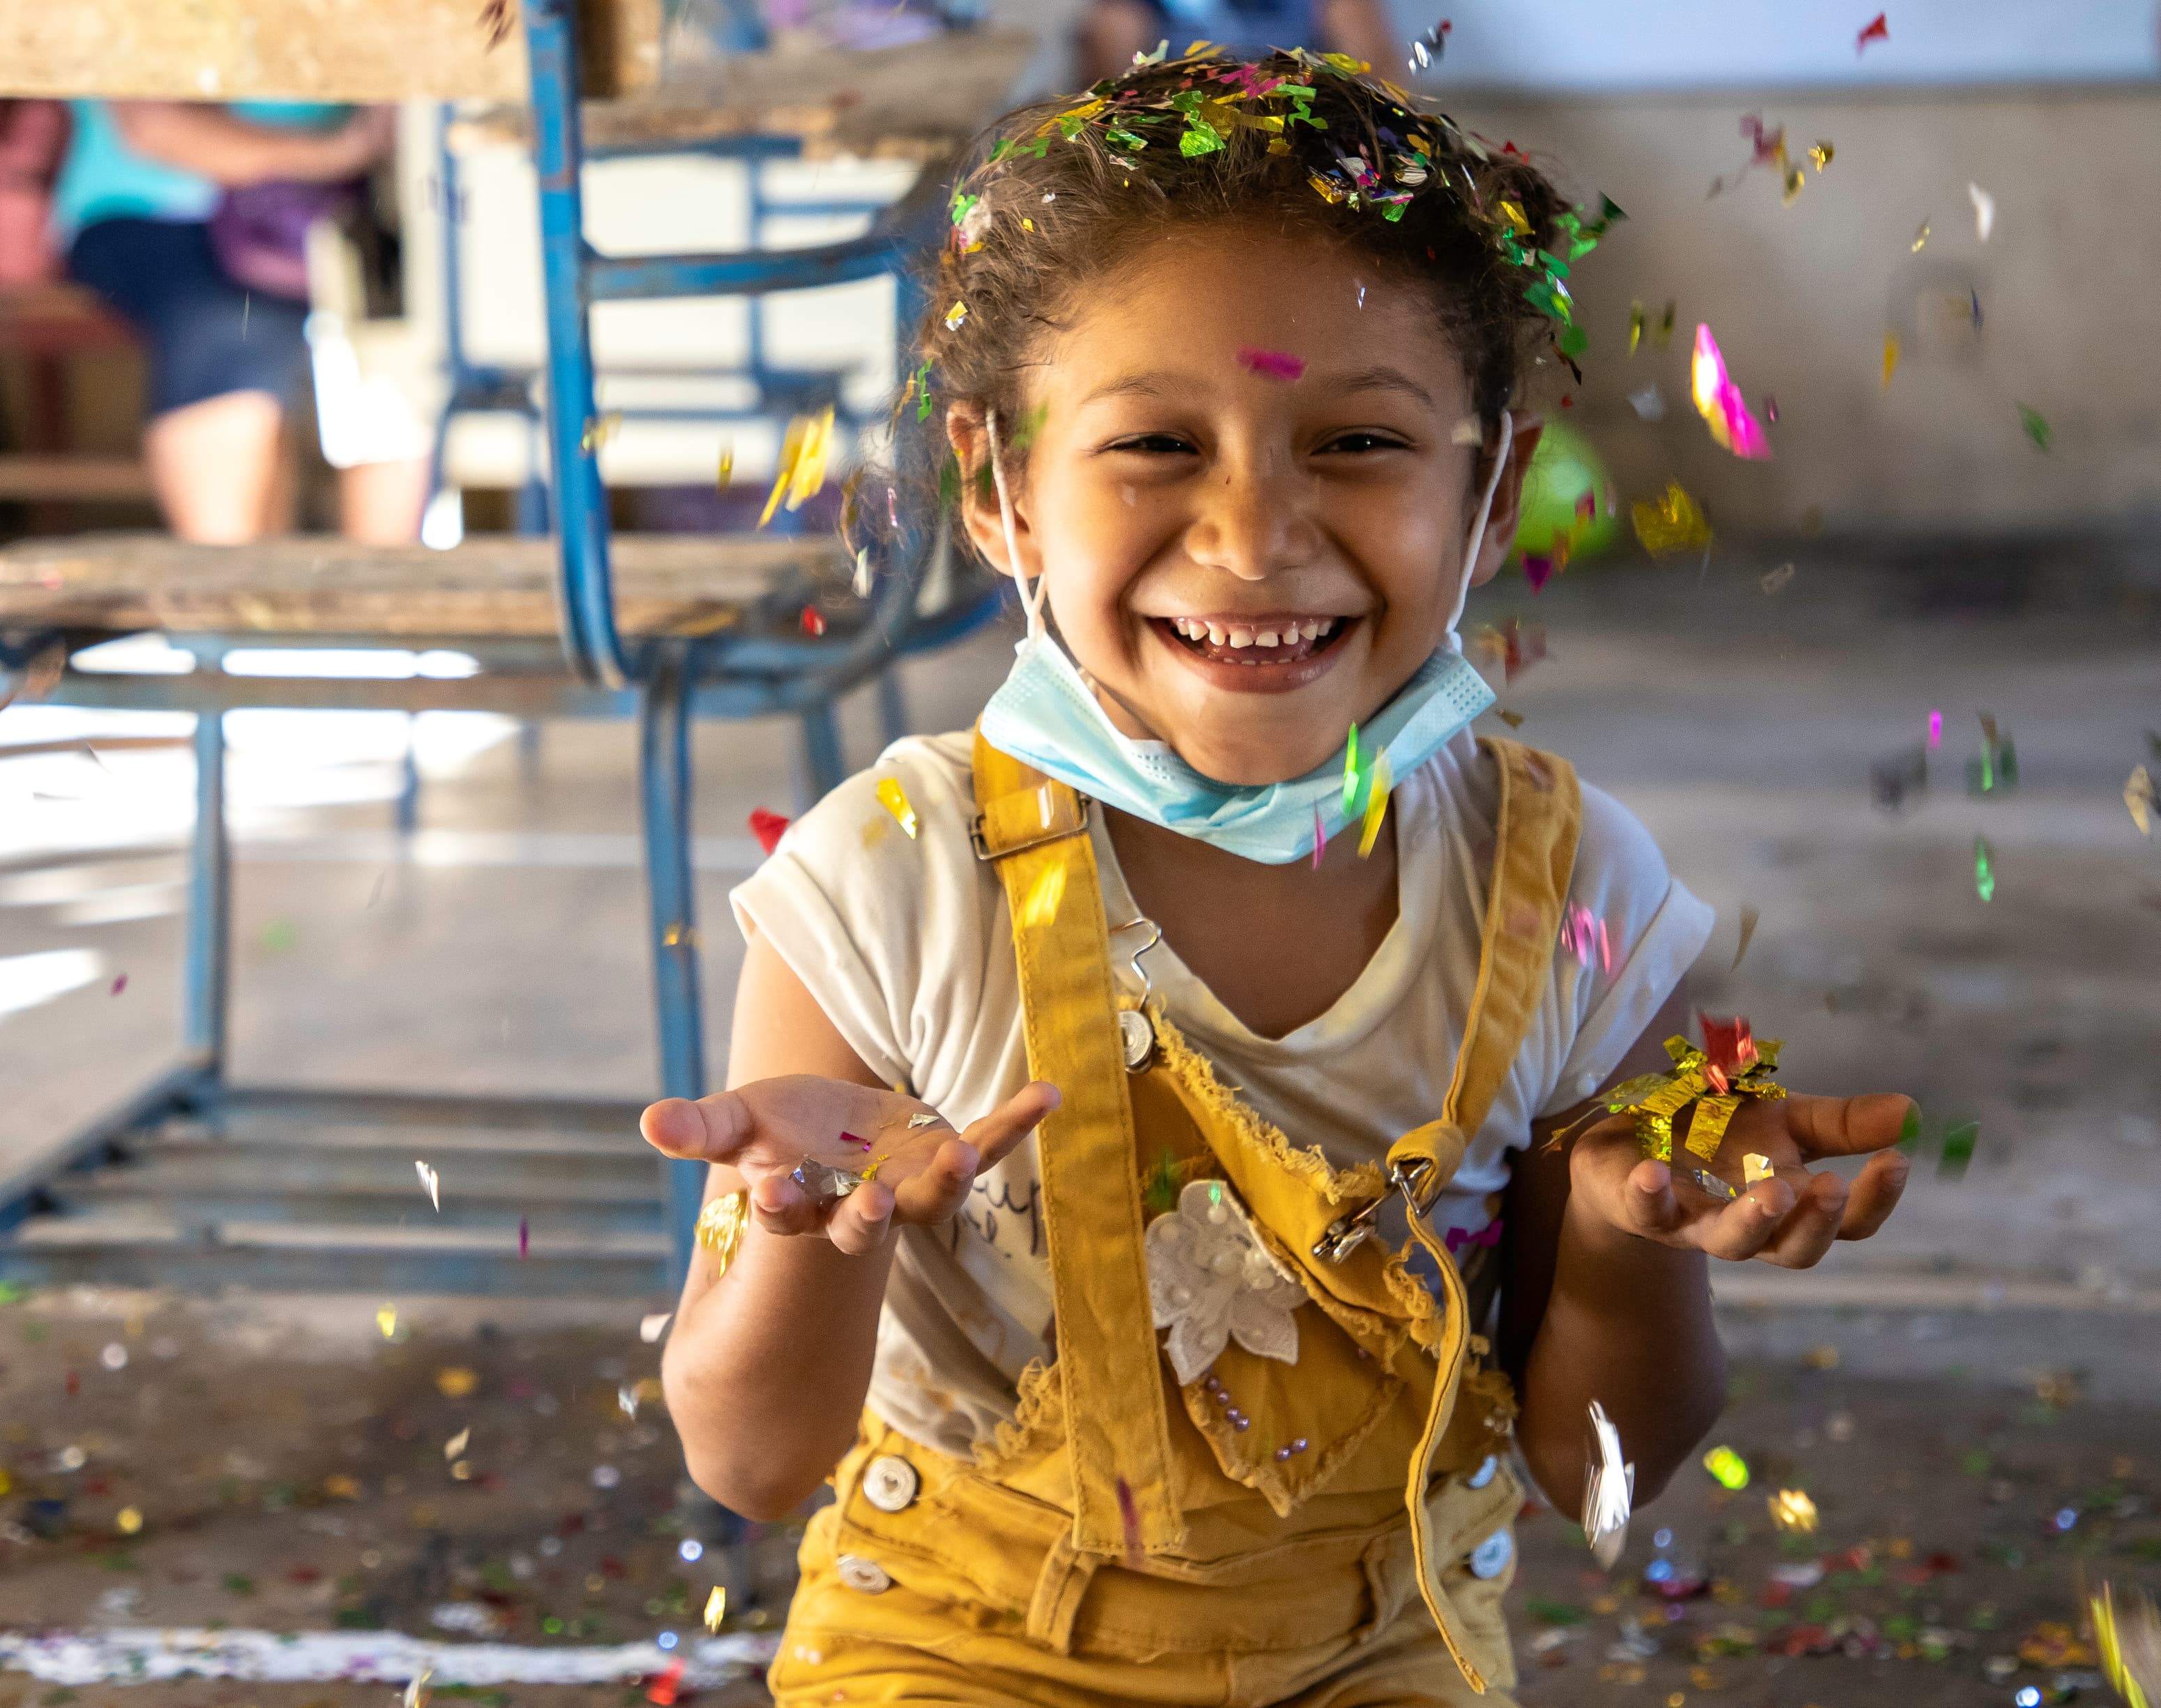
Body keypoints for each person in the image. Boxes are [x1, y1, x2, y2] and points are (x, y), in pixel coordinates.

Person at [639, 48, 1918, 1708]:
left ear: (1492, 486)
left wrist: (1618, 1230)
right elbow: (747, 1457)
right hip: (951, 1651)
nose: (1253, 534)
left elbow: (1618, 1458)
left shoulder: (1569, 886)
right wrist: (809, 1235)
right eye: (1157, 442)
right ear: (998, 485)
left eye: (1360, 440)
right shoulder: (886, 884)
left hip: (1380, 1651)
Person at [51, 100, 428, 545]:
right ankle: (229, 586)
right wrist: (341, 151)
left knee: (398, 348)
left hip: (333, 216)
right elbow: (152, 129)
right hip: (163, 210)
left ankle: (380, 590)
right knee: (234, 333)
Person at [1079, 0, 1396, 89]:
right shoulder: (1124, 11)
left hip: (1302, 128)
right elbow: (1108, 87)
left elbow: (1380, 78)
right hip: (1180, 133)